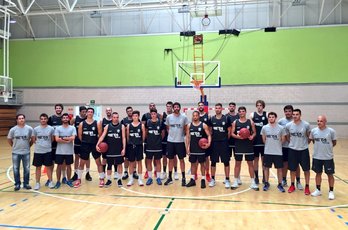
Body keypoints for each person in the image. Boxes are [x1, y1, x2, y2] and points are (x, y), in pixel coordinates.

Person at [231, 106, 258, 191]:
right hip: (239, 145)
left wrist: (251, 136)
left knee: (250, 164)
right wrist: (238, 137)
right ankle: (235, 181)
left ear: (245, 112)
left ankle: (253, 182)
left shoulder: (250, 122)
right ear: (238, 113)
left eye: (243, 111)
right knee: (237, 164)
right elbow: (232, 133)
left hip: (248, 146)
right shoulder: (235, 122)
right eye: (240, 111)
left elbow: (254, 133)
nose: (241, 112)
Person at [74, 107, 103, 188]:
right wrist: (85, 141)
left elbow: (100, 135)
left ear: (93, 113)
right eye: (88, 112)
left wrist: (97, 143)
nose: (90, 113)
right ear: (86, 113)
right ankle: (79, 179)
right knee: (82, 163)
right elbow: (80, 136)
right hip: (85, 145)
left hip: (94, 145)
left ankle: (101, 178)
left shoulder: (97, 123)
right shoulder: (82, 124)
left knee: (98, 162)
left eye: (91, 112)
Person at [310, 115, 337, 200]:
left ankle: (331, 191)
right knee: (318, 173)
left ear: (325, 122)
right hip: (317, 156)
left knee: (330, 174)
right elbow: (313, 141)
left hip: (328, 157)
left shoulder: (331, 131)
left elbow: (334, 142)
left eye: (321, 121)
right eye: (318, 121)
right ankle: (318, 190)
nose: (319, 122)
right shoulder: (313, 131)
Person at [285, 109, 311, 195]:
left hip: (303, 150)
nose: (295, 116)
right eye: (294, 114)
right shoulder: (288, 125)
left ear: (300, 115)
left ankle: (307, 186)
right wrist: (293, 144)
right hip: (292, 150)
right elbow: (288, 137)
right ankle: (292, 185)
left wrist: (304, 145)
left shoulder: (306, 125)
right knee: (292, 169)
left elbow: (309, 136)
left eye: (297, 114)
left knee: (306, 170)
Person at [96, 112, 126, 187]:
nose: (115, 119)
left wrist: (124, 148)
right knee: (109, 165)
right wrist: (97, 144)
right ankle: (109, 180)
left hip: (119, 149)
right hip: (109, 149)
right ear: (112, 118)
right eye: (114, 117)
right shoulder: (107, 126)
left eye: (117, 117)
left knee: (119, 165)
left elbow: (124, 138)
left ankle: (119, 180)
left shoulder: (121, 126)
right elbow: (102, 136)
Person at [164, 102, 189, 186]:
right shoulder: (168, 117)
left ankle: (183, 178)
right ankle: (170, 178)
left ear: (180, 108)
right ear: (173, 108)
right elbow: (168, 128)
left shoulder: (184, 117)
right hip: (170, 142)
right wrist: (172, 135)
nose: (176, 108)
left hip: (180, 142)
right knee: (170, 160)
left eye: (178, 107)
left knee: (181, 160)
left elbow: (186, 129)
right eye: (175, 107)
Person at [7, 114, 34, 191]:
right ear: (17, 120)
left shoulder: (29, 129)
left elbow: (32, 139)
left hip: (26, 152)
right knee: (16, 169)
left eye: (22, 118)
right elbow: (9, 139)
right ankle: (17, 184)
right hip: (16, 152)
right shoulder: (13, 129)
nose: (21, 120)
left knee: (27, 168)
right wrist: (14, 146)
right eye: (19, 118)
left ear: (24, 119)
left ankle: (26, 183)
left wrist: (29, 146)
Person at [261, 112, 286, 192]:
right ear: (268, 118)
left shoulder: (281, 128)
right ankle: (266, 183)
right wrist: (270, 145)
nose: (271, 118)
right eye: (270, 117)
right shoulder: (264, 128)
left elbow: (283, 139)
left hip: (278, 152)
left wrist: (277, 145)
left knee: (279, 169)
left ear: (275, 118)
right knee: (266, 168)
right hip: (268, 152)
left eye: (273, 117)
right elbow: (264, 139)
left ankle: (280, 184)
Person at [278, 105, 302, 188]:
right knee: (285, 164)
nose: (288, 113)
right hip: (284, 147)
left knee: (296, 164)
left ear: (292, 112)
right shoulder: (281, 121)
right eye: (286, 111)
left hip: (295, 147)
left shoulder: (297, 121)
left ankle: (298, 181)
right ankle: (284, 179)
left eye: (289, 111)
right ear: (284, 112)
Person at [186, 111, 211, 188]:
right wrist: (187, 148)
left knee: (202, 164)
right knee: (193, 164)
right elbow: (188, 137)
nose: (195, 117)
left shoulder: (203, 125)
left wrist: (208, 143)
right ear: (192, 117)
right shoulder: (189, 125)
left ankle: (203, 179)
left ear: (199, 116)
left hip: (201, 148)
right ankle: (192, 180)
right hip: (193, 148)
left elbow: (209, 135)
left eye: (196, 115)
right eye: (194, 115)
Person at [208, 103, 232, 188]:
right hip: (214, 143)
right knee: (213, 162)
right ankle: (213, 179)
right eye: (216, 108)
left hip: (224, 143)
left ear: (221, 109)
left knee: (226, 162)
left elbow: (229, 131)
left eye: (219, 108)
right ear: (215, 109)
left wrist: (225, 139)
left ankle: (227, 179)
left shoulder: (226, 118)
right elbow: (210, 131)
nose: (217, 109)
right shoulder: (211, 119)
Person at [32, 113, 55, 190]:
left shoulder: (51, 129)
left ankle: (50, 182)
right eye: (42, 119)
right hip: (38, 151)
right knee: (38, 168)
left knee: (48, 167)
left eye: (45, 119)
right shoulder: (35, 129)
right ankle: (37, 183)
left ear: (47, 120)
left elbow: (52, 139)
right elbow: (33, 140)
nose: (43, 120)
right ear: (40, 120)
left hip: (47, 151)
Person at [54, 113, 76, 188]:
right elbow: (56, 139)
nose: (65, 119)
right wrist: (67, 139)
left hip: (69, 151)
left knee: (69, 166)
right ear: (62, 119)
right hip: (59, 151)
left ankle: (69, 180)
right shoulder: (58, 128)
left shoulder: (72, 128)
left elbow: (73, 138)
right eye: (64, 118)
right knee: (59, 166)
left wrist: (62, 138)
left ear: (69, 119)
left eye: (67, 118)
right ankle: (58, 181)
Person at [70, 106, 91, 182]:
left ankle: (87, 173)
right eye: (83, 112)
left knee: (87, 157)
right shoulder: (75, 119)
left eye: (86, 111)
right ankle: (75, 173)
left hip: (86, 141)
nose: (85, 113)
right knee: (77, 158)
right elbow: (70, 127)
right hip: (77, 141)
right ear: (80, 112)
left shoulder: (88, 119)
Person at [145, 109, 165, 185]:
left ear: (156, 114)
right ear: (150, 115)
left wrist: (158, 140)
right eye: (152, 114)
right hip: (149, 145)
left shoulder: (160, 122)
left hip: (158, 145)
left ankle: (158, 177)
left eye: (154, 114)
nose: (153, 115)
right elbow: (146, 133)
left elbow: (163, 134)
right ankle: (150, 178)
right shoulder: (148, 122)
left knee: (158, 161)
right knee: (149, 161)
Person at [250, 100, 268, 185]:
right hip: (255, 142)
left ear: (263, 106)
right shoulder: (252, 115)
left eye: (260, 105)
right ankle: (256, 177)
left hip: (264, 142)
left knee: (264, 160)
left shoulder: (267, 114)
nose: (259, 107)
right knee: (256, 160)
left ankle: (264, 177)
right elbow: (250, 126)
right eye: (257, 105)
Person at [161, 101, 179, 180]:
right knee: (164, 156)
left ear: (172, 107)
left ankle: (175, 172)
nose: (168, 107)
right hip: (165, 139)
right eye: (167, 106)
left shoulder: (175, 116)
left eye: (170, 106)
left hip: (174, 139)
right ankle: (164, 172)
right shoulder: (163, 116)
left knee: (174, 156)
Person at [126, 110, 145, 186]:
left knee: (139, 162)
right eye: (133, 116)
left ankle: (140, 179)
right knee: (131, 163)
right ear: (132, 117)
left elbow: (143, 136)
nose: (135, 117)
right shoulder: (129, 125)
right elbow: (127, 137)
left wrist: (139, 142)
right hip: (131, 146)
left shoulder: (142, 125)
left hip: (139, 146)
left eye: (136, 116)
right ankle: (131, 179)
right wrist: (130, 143)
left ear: (138, 116)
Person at [48, 104, 64, 184]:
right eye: (57, 108)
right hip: (53, 144)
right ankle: (49, 178)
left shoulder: (64, 118)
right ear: (55, 109)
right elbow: (48, 131)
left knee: (63, 162)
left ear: (62, 109)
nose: (58, 109)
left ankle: (64, 177)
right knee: (52, 162)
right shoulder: (51, 118)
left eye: (59, 108)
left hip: (62, 143)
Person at [121, 106, 138, 180]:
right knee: (126, 158)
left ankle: (134, 171)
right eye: (128, 111)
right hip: (127, 142)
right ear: (126, 112)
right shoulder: (124, 121)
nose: (130, 112)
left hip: (135, 142)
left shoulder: (137, 120)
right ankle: (125, 172)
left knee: (135, 158)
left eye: (131, 111)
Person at [226, 102, 240, 184]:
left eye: (233, 106)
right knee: (227, 160)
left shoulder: (239, 116)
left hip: (237, 142)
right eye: (230, 106)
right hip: (228, 142)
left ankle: (237, 177)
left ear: (235, 107)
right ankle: (227, 178)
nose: (231, 107)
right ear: (228, 107)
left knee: (238, 160)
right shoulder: (226, 116)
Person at [197, 101, 211, 182]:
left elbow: (210, 129)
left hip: (205, 140)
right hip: (197, 140)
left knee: (206, 158)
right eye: (199, 105)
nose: (200, 106)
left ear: (204, 106)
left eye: (202, 105)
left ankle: (207, 173)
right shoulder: (196, 116)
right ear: (198, 107)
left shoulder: (207, 116)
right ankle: (195, 174)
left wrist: (209, 140)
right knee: (196, 159)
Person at [98, 107, 113, 178]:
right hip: (104, 143)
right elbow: (100, 133)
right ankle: (103, 172)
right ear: (105, 112)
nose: (108, 111)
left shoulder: (114, 120)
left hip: (113, 142)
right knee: (104, 159)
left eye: (109, 110)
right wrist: (100, 142)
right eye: (107, 111)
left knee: (112, 158)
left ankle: (115, 172)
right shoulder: (102, 121)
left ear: (111, 111)